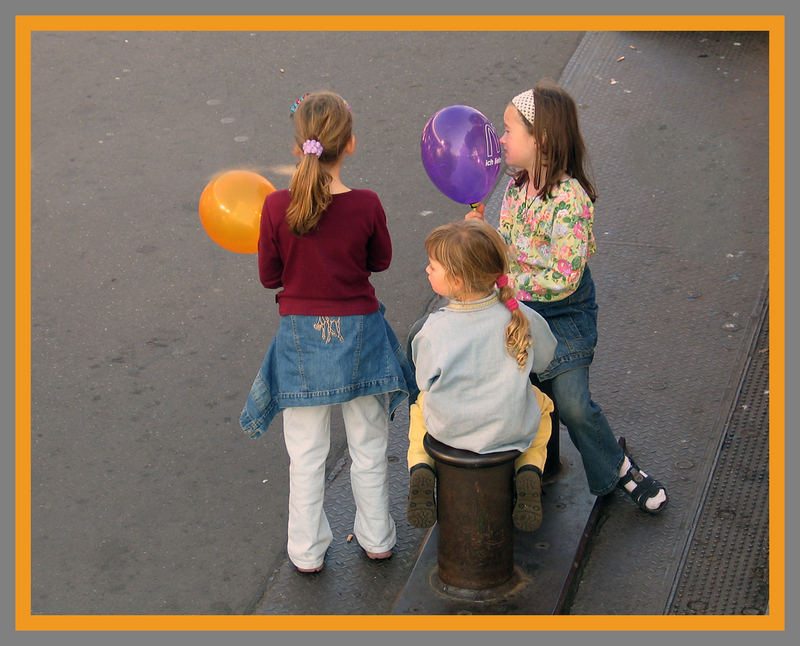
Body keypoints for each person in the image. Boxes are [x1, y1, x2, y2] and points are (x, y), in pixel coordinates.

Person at [467, 79, 668, 513]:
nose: (500, 139)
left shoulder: (570, 200)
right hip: (517, 310)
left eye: (508, 129)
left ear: (539, 139)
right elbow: (505, 250)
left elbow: (563, 278)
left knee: (572, 404)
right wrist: (482, 234)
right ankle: (517, 475)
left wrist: (505, 285)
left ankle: (617, 468)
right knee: (496, 388)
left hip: (564, 314)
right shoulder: (514, 189)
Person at [239, 91, 414, 573]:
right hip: (361, 332)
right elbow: (380, 261)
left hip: (301, 337)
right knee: (369, 445)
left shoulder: (277, 207)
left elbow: (269, 277)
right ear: (350, 144)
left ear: (299, 148)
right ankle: (377, 537)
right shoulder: (367, 205)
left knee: (307, 453)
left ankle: (306, 550)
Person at [406, 219, 558, 532]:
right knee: (542, 405)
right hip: (510, 430)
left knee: (420, 406)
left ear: (457, 281)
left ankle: (421, 465)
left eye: (432, 266)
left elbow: (424, 380)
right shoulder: (521, 316)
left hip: (450, 431)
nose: (426, 270)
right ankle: (529, 467)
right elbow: (544, 360)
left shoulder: (434, 329)